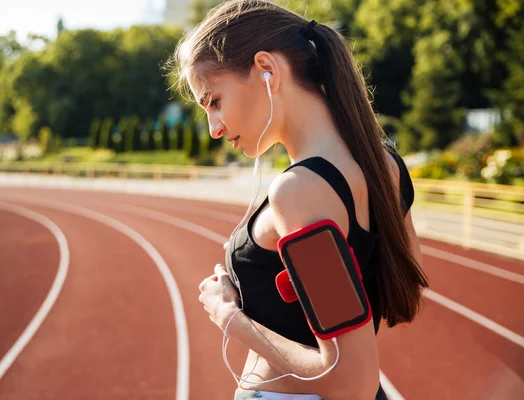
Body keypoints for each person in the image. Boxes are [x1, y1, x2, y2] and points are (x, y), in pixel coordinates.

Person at [169, 1, 430, 399]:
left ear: (266, 69)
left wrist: (227, 315)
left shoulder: (300, 191)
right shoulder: (386, 164)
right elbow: (405, 289)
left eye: (214, 101)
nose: (214, 129)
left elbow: (350, 380)